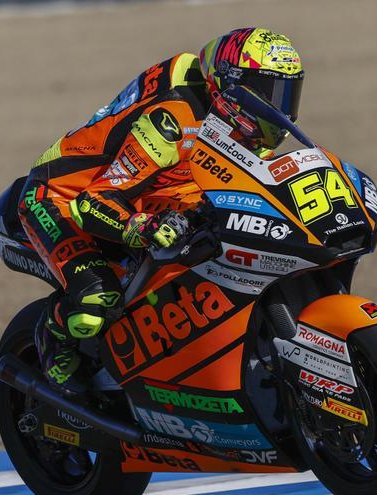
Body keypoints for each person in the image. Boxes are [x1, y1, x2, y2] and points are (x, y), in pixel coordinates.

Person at [18, 27, 305, 392]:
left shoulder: (236, 124)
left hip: (154, 191)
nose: (276, 106)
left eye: (286, 93)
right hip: (60, 198)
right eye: (267, 93)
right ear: (228, 86)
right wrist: (144, 226)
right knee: (97, 299)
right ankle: (54, 331)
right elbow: (94, 203)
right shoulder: (172, 120)